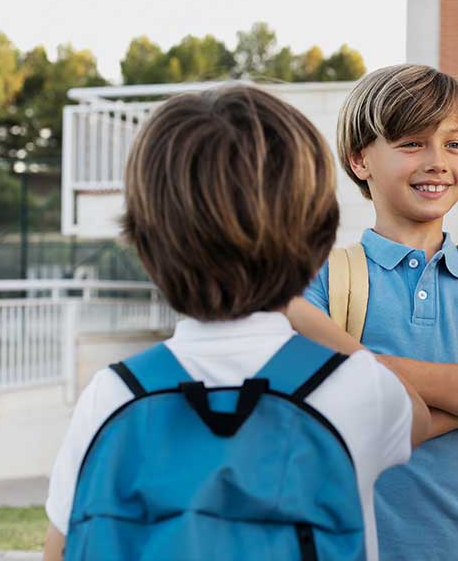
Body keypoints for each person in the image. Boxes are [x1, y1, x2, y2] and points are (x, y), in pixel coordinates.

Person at [42, 85, 429, 561]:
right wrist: (296, 304)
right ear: (317, 239)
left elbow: (61, 550)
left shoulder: (112, 395)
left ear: (145, 242)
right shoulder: (357, 389)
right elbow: (417, 412)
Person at [298, 63, 458, 560]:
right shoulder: (321, 283)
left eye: (454, 144)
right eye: (412, 143)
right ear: (360, 161)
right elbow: (326, 418)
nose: (438, 161)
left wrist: (362, 373)